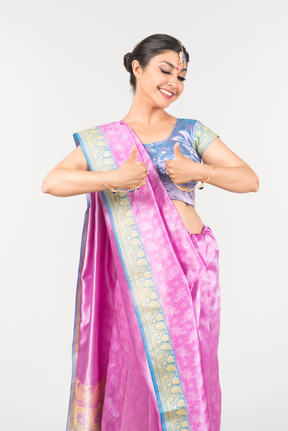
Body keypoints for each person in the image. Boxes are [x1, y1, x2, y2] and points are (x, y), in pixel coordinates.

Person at [42, 34, 259, 431]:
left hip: (194, 270)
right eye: (165, 70)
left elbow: (249, 179)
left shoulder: (191, 130)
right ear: (137, 68)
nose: (174, 83)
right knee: (139, 370)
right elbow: (52, 182)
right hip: (138, 278)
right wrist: (112, 177)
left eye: (182, 76)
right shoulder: (104, 140)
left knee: (193, 367)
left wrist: (199, 171)